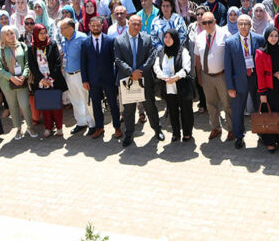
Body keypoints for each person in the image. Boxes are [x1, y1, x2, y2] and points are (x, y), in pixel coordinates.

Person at [115, 14, 162, 146]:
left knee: (150, 106)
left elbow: (152, 56)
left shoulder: (147, 38)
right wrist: (131, 72)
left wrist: (140, 71)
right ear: (128, 23)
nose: (136, 26)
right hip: (128, 79)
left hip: (144, 78)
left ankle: (157, 129)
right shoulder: (119, 40)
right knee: (129, 109)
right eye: (134, 23)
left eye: (139, 24)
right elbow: (118, 59)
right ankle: (129, 134)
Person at [224, 14, 264, 149]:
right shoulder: (230, 42)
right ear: (237, 25)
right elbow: (228, 66)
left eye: (246, 23)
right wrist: (230, 87)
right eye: (240, 24)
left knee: (260, 107)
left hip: (256, 79)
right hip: (238, 81)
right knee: (238, 110)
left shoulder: (259, 39)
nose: (243, 26)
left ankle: (262, 134)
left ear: (250, 25)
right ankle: (239, 136)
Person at [80, 15, 121, 139]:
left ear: (102, 26)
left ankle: (117, 127)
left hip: (109, 78)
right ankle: (99, 127)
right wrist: (85, 80)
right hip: (93, 80)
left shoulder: (110, 40)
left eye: (98, 25)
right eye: (93, 26)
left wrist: (116, 77)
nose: (96, 27)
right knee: (96, 105)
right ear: (89, 27)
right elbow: (83, 63)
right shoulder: (85, 43)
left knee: (113, 104)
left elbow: (115, 60)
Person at [194, 11, 233, 142]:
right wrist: (199, 75)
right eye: (204, 22)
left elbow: (231, 56)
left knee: (227, 104)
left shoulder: (225, 34)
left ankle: (232, 128)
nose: (207, 25)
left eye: (210, 22)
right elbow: (197, 58)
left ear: (215, 21)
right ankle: (216, 127)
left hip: (222, 75)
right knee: (210, 104)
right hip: (206, 76)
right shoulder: (199, 37)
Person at [155, 29, 196, 142]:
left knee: (186, 110)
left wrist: (176, 77)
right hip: (168, 87)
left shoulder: (182, 51)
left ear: (175, 38)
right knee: (172, 111)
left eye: (170, 37)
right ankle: (176, 133)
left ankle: (187, 133)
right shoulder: (161, 51)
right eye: (165, 37)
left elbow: (186, 67)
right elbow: (156, 67)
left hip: (182, 85)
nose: (167, 40)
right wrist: (163, 76)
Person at [27, 24, 66, 138]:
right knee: (46, 106)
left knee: (56, 106)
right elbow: (32, 66)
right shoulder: (31, 47)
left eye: (45, 33)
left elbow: (58, 62)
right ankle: (48, 127)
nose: (44, 35)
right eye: (41, 33)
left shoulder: (52, 44)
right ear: (36, 34)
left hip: (54, 80)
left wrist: (50, 78)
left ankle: (59, 127)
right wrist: (42, 79)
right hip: (41, 82)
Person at [56, 18, 89, 136]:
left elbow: (88, 57)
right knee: (75, 100)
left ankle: (92, 123)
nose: (60, 31)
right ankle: (81, 122)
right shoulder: (63, 39)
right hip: (68, 74)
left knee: (86, 99)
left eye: (62, 28)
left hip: (80, 74)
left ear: (71, 28)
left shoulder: (82, 38)